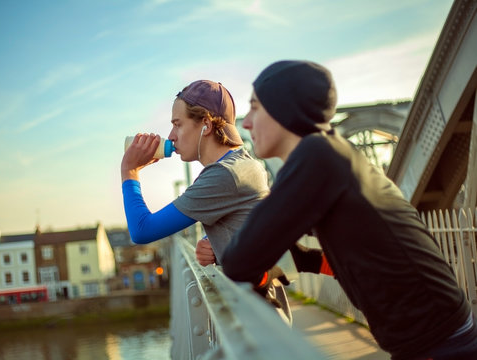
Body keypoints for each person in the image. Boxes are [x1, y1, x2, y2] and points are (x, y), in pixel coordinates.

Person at [221, 60, 477, 360]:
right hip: (437, 335)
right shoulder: (332, 153)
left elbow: (238, 261)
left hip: (441, 345)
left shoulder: (316, 156)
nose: (247, 123)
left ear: (283, 108)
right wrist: (302, 260)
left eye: (255, 107)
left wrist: (257, 264)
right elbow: (360, 246)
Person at [120, 79, 292, 322]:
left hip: (257, 324)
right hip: (264, 318)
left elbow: (142, 231)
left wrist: (129, 170)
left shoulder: (223, 175)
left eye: (178, 125)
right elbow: (249, 219)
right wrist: (218, 242)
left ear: (206, 125)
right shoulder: (244, 163)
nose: (171, 136)